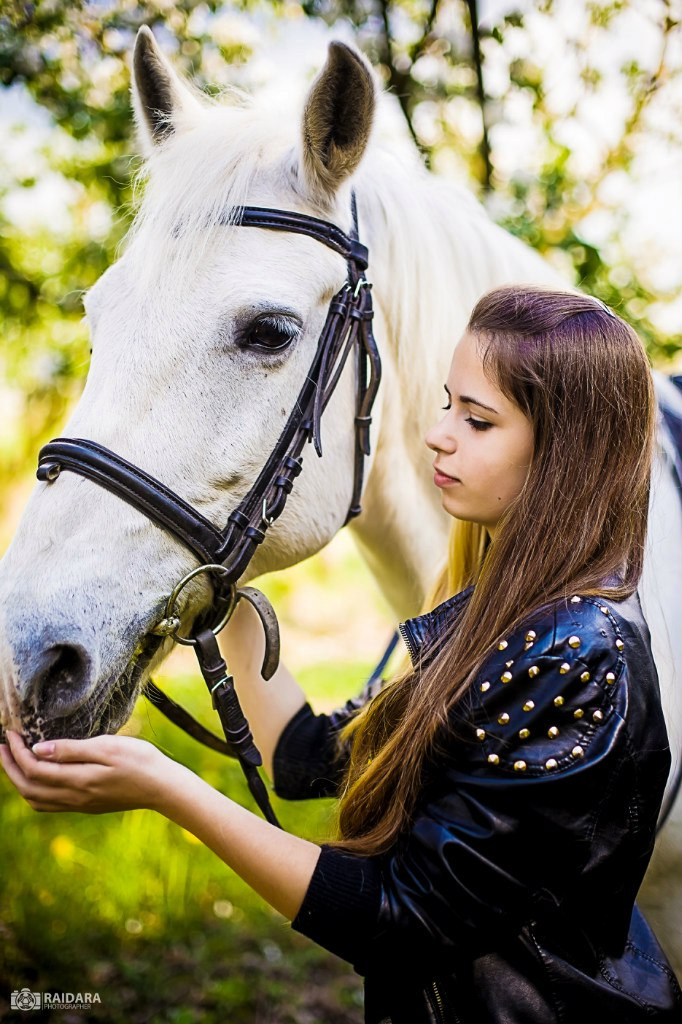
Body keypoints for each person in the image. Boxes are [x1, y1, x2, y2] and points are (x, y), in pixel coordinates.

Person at [2, 285, 680, 1023]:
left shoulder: (573, 654)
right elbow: (312, 759)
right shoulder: (494, 612)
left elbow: (407, 922)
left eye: (478, 420)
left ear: (565, 458)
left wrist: (172, 791)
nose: (438, 434)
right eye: (448, 402)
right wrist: (214, 581)